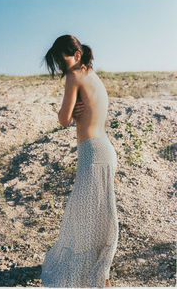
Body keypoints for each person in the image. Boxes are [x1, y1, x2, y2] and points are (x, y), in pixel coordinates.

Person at [40, 35, 119, 288]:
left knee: (86, 217)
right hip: (104, 150)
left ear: (75, 56)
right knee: (98, 215)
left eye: (61, 63)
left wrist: (68, 112)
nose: (62, 69)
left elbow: (63, 119)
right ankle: (101, 272)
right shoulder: (92, 75)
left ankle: (99, 276)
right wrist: (74, 111)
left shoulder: (74, 76)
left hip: (93, 153)